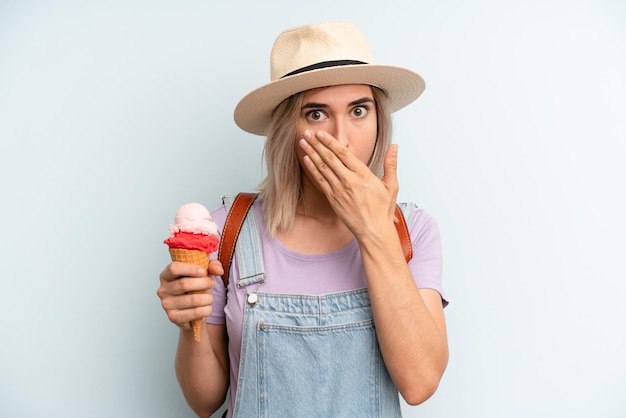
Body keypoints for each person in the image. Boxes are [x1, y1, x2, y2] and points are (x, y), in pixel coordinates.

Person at [157, 21, 449, 418]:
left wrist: (374, 232)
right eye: (316, 114)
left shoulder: (412, 230)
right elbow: (204, 401)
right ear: (286, 130)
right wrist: (188, 320)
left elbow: (420, 384)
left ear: (379, 120)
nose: (341, 138)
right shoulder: (227, 229)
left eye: (359, 110)